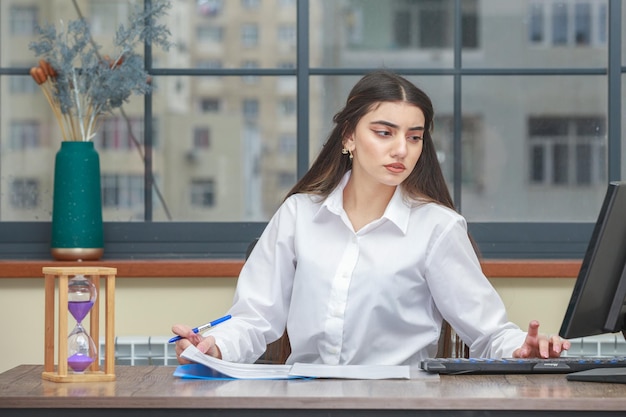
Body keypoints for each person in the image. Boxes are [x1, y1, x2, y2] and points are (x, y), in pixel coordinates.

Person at [172, 69, 570, 366]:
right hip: (304, 403)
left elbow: (489, 333)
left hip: (403, 406)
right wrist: (214, 347)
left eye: (414, 137)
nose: (402, 149)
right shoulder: (299, 215)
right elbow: (255, 318)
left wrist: (522, 349)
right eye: (384, 133)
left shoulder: (437, 227)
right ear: (349, 137)